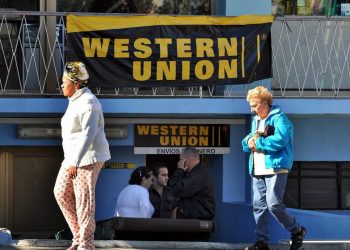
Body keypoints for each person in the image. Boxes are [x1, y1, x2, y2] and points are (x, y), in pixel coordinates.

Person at [54, 61, 111, 250]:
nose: (61, 85)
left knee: (83, 200)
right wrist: (72, 161)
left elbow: (89, 133)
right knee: (61, 193)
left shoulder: (89, 102)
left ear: (76, 84)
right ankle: (78, 236)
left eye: (64, 81)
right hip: (72, 158)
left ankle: (86, 244)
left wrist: (75, 162)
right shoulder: (75, 101)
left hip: (88, 157)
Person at [241, 86, 306, 250]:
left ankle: (297, 230)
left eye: (254, 105)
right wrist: (248, 142)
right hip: (257, 168)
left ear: (265, 103)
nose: (252, 109)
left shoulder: (280, 119)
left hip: (275, 168)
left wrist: (258, 143)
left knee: (274, 204)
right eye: (251, 105)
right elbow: (247, 142)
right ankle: (261, 242)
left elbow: (280, 141)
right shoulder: (256, 121)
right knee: (258, 206)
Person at [169, 147, 215, 220]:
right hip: (193, 220)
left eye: (181, 159)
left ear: (188, 158)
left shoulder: (199, 174)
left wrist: (179, 170)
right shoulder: (193, 173)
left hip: (197, 223)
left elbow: (176, 189)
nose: (179, 163)